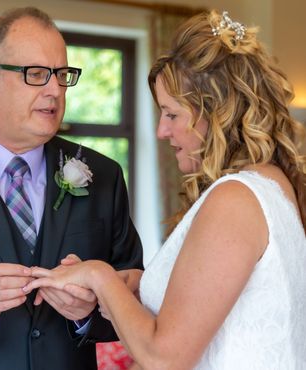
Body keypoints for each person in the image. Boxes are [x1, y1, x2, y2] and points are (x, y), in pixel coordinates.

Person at [24, 9, 306, 370]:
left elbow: (164, 357)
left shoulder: (234, 199)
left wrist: (100, 275)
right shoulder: (271, 181)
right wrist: (140, 286)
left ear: (215, 113)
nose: (161, 131)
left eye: (172, 114)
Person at [0, 6, 143, 370]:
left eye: (62, 75)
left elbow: (140, 297)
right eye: (36, 74)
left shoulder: (104, 175)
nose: (55, 90)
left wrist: (90, 312)